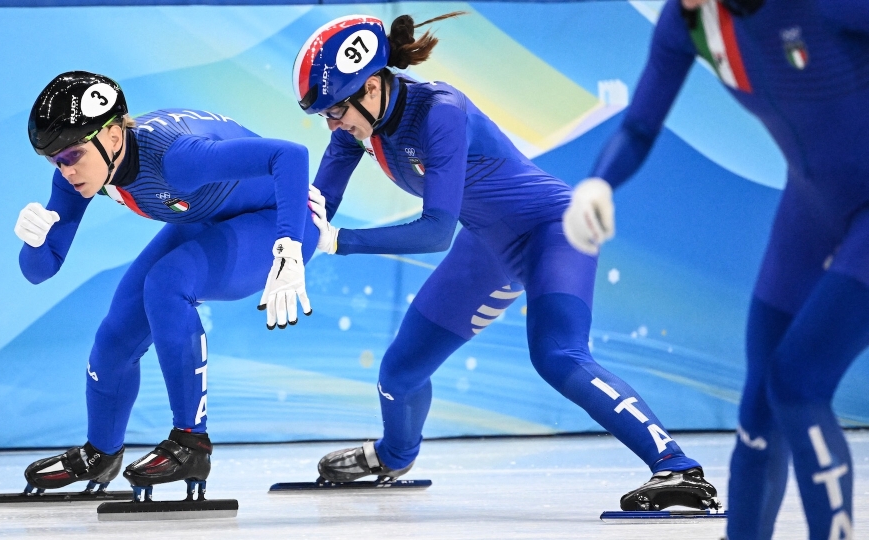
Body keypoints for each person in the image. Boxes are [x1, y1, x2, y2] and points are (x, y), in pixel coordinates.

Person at [294, 14, 719, 510]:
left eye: (335, 110)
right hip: (487, 247)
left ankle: (678, 468)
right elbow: (316, 208)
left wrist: (337, 242)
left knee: (558, 355)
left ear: (370, 87)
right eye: (324, 115)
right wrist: (286, 255)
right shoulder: (355, 127)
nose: (332, 124)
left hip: (554, 232)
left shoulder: (439, 111)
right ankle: (393, 456)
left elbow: (434, 232)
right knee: (400, 371)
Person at [562, 0, 869, 537]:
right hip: (811, 207)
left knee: (797, 383)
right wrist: (599, 181)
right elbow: (638, 128)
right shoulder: (688, 20)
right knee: (758, 416)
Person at [14, 71, 316, 496]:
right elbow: (42, 270)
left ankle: (192, 442)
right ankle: (100, 453)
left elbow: (290, 156)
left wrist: (291, 243)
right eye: (55, 162)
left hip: (279, 220)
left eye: (71, 156)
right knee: (119, 329)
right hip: (210, 215)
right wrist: (32, 242)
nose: (65, 171)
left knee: (167, 282)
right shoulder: (82, 167)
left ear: (114, 137)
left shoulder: (177, 158)